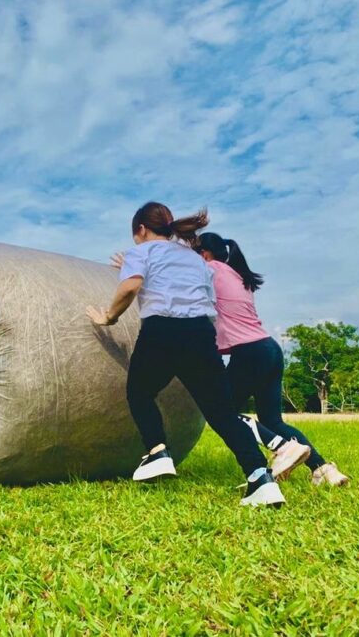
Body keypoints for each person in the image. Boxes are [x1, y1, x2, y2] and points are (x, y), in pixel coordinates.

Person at [87, 202, 285, 507]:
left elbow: (130, 288)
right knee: (222, 414)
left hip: (162, 331)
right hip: (200, 334)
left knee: (140, 393)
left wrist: (109, 317)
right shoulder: (194, 258)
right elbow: (207, 298)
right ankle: (261, 478)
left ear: (141, 229)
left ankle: (157, 451)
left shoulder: (141, 251)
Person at [194, 232, 349, 486]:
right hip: (269, 349)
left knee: (222, 411)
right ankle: (323, 469)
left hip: (249, 353)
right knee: (272, 420)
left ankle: (282, 448)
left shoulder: (211, 269)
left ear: (204, 254)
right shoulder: (238, 276)